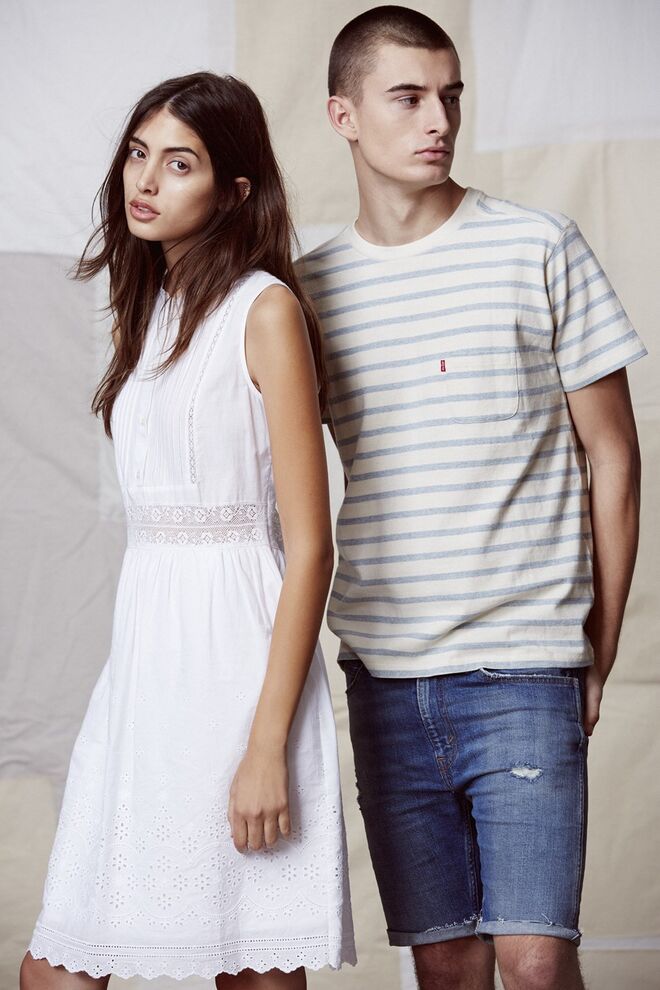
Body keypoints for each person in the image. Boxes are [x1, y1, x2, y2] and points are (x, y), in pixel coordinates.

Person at [297, 7, 644, 990]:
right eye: (408, 98)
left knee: (534, 962)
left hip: (523, 666)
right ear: (343, 114)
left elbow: (614, 457)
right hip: (385, 675)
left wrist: (598, 648)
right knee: (447, 966)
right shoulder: (308, 292)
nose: (439, 120)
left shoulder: (538, 246)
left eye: (449, 96)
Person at [20, 71, 355, 989]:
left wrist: (266, 746)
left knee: (254, 968)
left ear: (234, 190)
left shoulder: (266, 311)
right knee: (59, 967)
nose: (146, 179)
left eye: (180, 163)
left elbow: (310, 545)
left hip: (238, 666)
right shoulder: (152, 310)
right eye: (140, 154)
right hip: (146, 671)